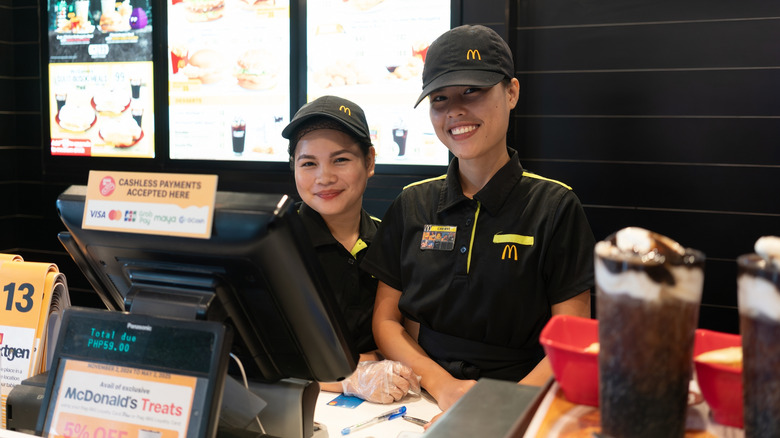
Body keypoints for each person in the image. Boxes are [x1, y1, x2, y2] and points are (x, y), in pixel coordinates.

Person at [361, 25, 596, 412]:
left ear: (512, 92)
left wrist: (502, 406)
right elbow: (386, 321)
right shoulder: (413, 203)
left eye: (473, 91)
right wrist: (443, 386)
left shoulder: (554, 204)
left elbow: (572, 337)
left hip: (525, 399)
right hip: (423, 395)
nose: (455, 110)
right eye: (440, 98)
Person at [281, 95, 420, 404]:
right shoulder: (276, 246)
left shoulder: (391, 240)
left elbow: (407, 335)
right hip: (299, 409)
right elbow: (261, 353)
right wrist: (352, 378)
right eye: (308, 163)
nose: (324, 177)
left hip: (387, 409)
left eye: (340, 159)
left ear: (369, 161)